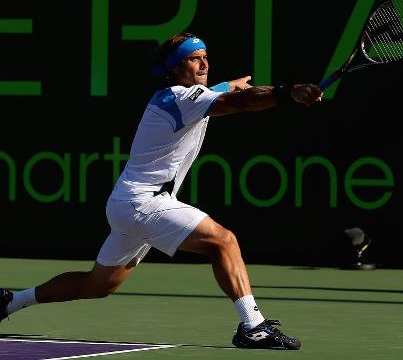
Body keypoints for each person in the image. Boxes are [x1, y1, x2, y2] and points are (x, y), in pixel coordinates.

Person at [0, 32, 322, 350]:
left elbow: (221, 93)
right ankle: (253, 327)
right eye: (194, 58)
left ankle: (12, 301)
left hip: (127, 203)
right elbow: (240, 103)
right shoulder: (182, 99)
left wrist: (229, 85)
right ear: (175, 68)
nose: (203, 63)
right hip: (145, 203)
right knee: (224, 241)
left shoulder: (177, 97)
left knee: (96, 285)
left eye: (205, 56)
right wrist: (287, 92)